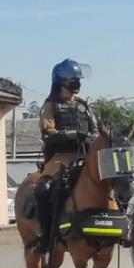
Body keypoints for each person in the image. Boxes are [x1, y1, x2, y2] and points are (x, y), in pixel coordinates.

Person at [34, 58, 98, 253]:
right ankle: (46, 236)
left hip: (86, 154)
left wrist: (92, 137)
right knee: (42, 190)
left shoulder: (83, 104)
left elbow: (96, 130)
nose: (77, 83)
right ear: (61, 81)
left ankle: (120, 225)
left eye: (78, 79)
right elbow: (48, 134)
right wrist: (71, 134)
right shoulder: (50, 105)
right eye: (73, 79)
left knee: (116, 179)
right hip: (61, 155)